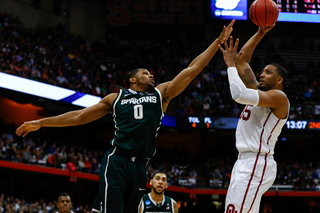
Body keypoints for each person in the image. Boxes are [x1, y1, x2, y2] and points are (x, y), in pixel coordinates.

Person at [15, 20, 235, 213]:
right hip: (117, 160)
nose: (151, 75)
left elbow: (191, 70)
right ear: (132, 80)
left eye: (151, 73)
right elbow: (79, 117)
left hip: (140, 165)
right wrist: (41, 122)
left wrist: (217, 42)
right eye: (145, 73)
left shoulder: (161, 94)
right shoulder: (115, 98)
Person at [218, 25, 289, 213]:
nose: (261, 74)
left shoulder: (278, 98)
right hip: (244, 161)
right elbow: (242, 60)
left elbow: (238, 94)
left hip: (257, 162)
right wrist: (261, 33)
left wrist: (230, 66)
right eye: (262, 71)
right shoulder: (259, 92)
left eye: (268, 72)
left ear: (279, 80)